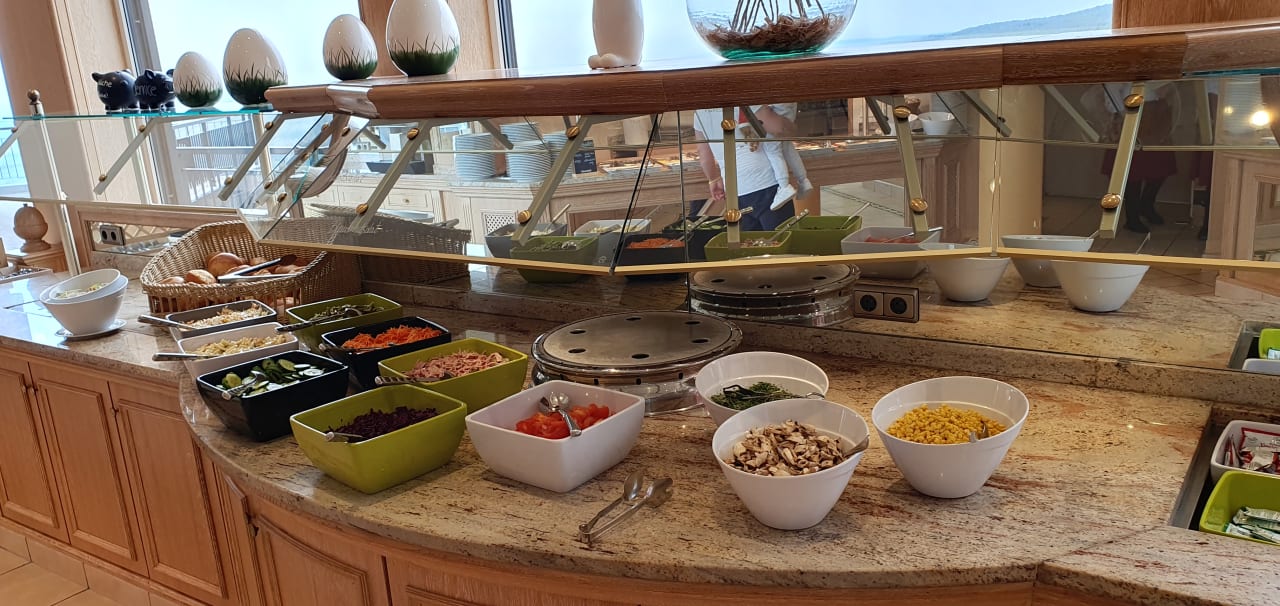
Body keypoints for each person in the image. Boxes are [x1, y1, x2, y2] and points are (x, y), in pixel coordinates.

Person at [690, 105, 798, 231]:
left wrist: (713, 179)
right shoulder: (746, 100)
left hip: (736, 190)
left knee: (750, 241)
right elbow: (779, 128)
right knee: (782, 238)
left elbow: (703, 153)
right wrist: (788, 120)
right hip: (766, 184)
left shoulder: (700, 112)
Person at [759, 103, 813, 210]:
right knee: (787, 147)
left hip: (777, 110)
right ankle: (803, 180)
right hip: (787, 108)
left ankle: (784, 186)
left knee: (773, 150)